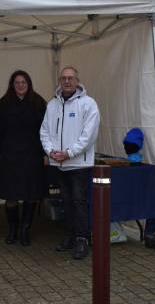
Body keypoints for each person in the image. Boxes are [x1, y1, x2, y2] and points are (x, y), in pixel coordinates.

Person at [40, 66, 100, 260]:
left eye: (70, 78)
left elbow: (88, 136)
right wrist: (50, 152)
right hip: (59, 164)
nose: (67, 81)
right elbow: (45, 132)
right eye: (63, 78)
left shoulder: (89, 104)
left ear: (77, 81)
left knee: (79, 202)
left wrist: (69, 153)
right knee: (66, 202)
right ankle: (71, 235)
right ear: (60, 81)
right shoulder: (52, 105)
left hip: (79, 165)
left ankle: (83, 239)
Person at [0, 70, 47, 246]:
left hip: (33, 156)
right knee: (11, 195)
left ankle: (25, 229)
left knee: (31, 195)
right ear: (12, 84)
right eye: (17, 82)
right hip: (10, 157)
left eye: (24, 82)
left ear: (29, 84)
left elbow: (47, 131)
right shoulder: (4, 103)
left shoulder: (39, 103)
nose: (20, 85)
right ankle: (13, 229)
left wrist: (46, 153)